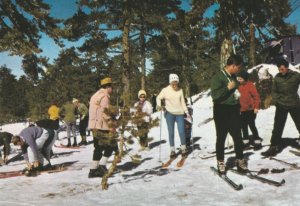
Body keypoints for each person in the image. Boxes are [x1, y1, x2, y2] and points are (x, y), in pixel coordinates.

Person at [211, 54, 248, 174]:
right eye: (238, 67)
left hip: (233, 109)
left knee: (237, 136)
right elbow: (215, 96)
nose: (239, 70)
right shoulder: (218, 77)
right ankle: (220, 161)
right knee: (221, 137)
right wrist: (227, 88)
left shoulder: (233, 76)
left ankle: (240, 160)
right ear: (232, 65)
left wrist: (236, 92)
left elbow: (235, 87)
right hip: (221, 110)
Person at [261, 59, 300, 157]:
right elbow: (274, 91)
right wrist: (278, 99)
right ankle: (273, 147)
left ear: (287, 67)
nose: (280, 70)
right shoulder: (277, 78)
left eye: (282, 68)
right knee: (278, 127)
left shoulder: (296, 76)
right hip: (281, 105)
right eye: (279, 69)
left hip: (294, 104)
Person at [88, 77, 118, 178]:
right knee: (111, 145)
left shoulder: (95, 95)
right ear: (108, 87)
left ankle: (93, 170)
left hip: (94, 125)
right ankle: (101, 166)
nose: (112, 89)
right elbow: (105, 113)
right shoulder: (105, 97)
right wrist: (111, 125)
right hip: (101, 125)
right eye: (111, 87)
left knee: (98, 148)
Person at [156, 74, 190, 160]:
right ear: (170, 82)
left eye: (176, 82)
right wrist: (159, 105)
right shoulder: (165, 90)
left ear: (177, 82)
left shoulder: (180, 90)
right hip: (169, 113)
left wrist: (186, 112)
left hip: (179, 113)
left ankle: (183, 148)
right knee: (171, 132)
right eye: (173, 82)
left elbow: (182, 102)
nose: (174, 84)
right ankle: (172, 150)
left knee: (182, 131)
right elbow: (158, 98)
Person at [237, 70, 262, 150]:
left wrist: (256, 107)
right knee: (243, 125)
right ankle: (246, 141)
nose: (239, 80)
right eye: (238, 79)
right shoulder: (239, 86)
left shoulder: (250, 85)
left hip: (251, 109)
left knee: (252, 125)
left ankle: (257, 141)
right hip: (242, 110)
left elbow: (256, 97)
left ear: (245, 78)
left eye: (241, 79)